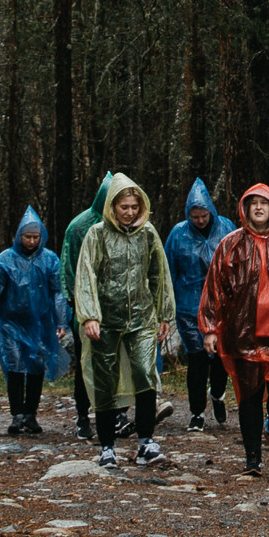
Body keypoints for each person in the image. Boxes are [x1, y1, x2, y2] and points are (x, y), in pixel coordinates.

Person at [73, 171, 178, 469]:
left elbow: (159, 274)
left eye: (134, 206)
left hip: (142, 318)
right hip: (106, 321)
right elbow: (86, 276)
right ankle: (107, 445)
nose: (130, 212)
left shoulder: (148, 233)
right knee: (105, 380)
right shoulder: (97, 234)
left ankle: (146, 441)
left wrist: (164, 313)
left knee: (146, 375)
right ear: (112, 208)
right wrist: (90, 316)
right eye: (124, 207)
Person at [201, 182, 269, 473]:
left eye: (264, 203)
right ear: (245, 208)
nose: (258, 208)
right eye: (253, 203)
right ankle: (252, 456)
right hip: (243, 333)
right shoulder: (231, 244)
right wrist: (211, 328)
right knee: (249, 396)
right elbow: (215, 287)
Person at [0, 205, 61, 438]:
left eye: (35, 237)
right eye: (27, 237)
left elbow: (58, 292)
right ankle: (16, 414)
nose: (31, 241)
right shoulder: (4, 261)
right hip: (10, 324)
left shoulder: (50, 260)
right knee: (15, 367)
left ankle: (31, 414)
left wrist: (61, 322)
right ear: (19, 236)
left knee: (36, 368)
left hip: (40, 324)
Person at [166, 176, 236, 432]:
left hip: (220, 305)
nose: (200, 220)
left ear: (210, 211)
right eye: (195, 216)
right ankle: (196, 412)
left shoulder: (226, 227)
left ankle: (217, 394)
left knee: (219, 359)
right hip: (189, 306)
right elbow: (168, 269)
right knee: (196, 361)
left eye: (203, 215)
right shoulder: (178, 234)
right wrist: (168, 303)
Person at [59, 172, 116, 436]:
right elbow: (69, 268)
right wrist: (78, 304)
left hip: (117, 308)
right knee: (86, 363)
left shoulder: (127, 225)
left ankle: (116, 414)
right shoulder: (79, 227)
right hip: (86, 309)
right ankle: (83, 415)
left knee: (116, 362)